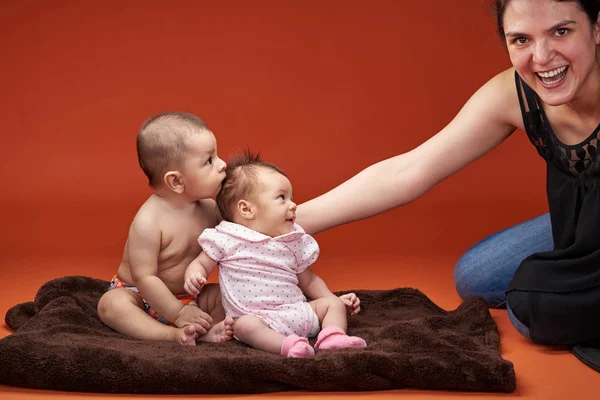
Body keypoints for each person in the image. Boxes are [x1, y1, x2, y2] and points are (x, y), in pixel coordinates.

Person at [295, 0, 600, 369]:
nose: (541, 56)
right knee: (476, 276)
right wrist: (281, 225)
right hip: (583, 222)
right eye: (521, 39)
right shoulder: (514, 94)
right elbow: (410, 170)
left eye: (561, 32)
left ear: (597, 27)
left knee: (533, 308)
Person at [184, 151, 367, 357]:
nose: (293, 204)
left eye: (291, 198)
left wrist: (333, 301)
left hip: (298, 313)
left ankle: (333, 335)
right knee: (244, 325)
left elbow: (309, 281)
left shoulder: (290, 241)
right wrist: (194, 274)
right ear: (246, 209)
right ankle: (288, 346)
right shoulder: (226, 238)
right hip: (260, 320)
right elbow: (201, 263)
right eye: (282, 197)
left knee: (332, 303)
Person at [97, 112, 234, 346]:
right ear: (176, 181)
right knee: (111, 305)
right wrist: (178, 314)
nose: (222, 164)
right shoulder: (149, 221)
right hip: (140, 294)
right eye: (209, 161)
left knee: (226, 295)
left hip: (189, 297)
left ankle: (208, 333)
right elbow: (145, 277)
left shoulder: (211, 209)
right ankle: (170, 335)